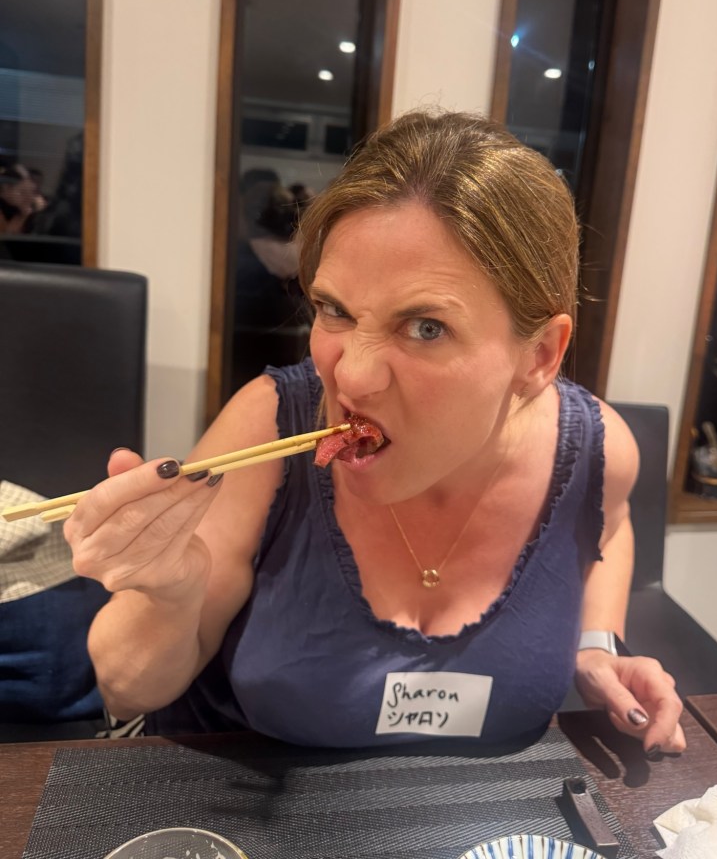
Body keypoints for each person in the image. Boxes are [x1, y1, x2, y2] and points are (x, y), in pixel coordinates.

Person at [64, 110, 685, 754]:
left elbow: (608, 525)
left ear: (539, 357)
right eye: (335, 309)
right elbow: (125, 688)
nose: (352, 378)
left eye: (425, 327)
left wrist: (596, 645)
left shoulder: (594, 452)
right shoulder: (270, 425)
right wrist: (168, 592)